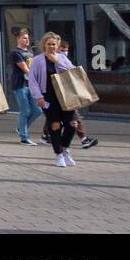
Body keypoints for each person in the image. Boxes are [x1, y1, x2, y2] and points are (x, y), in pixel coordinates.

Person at [30, 31, 83, 167]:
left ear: (58, 45)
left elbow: (73, 73)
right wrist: (39, 97)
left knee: (73, 124)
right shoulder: (37, 60)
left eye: (54, 44)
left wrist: (57, 62)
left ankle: (65, 150)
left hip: (66, 96)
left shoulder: (62, 58)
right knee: (55, 125)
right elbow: (33, 80)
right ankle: (58, 154)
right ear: (44, 45)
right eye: (49, 44)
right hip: (48, 96)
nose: (51, 47)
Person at [58, 41, 98, 149]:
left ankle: (84, 140)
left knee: (70, 116)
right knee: (70, 116)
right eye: (62, 50)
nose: (64, 52)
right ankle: (82, 140)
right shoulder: (55, 59)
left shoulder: (62, 58)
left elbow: (71, 68)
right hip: (60, 91)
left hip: (66, 91)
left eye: (66, 50)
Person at [10, 29, 42, 145]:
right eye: (24, 38)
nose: (27, 40)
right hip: (20, 85)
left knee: (38, 110)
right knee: (25, 110)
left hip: (30, 85)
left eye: (28, 38)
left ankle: (21, 128)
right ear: (18, 39)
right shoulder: (16, 52)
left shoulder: (30, 52)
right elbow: (25, 68)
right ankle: (24, 137)